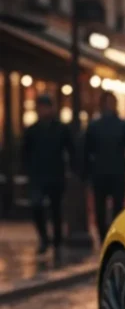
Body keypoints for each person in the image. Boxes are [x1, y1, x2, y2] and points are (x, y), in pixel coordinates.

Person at [83, 91, 125, 241]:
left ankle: (107, 237)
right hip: (112, 172)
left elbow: (86, 152)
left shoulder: (96, 126)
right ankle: (109, 237)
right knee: (109, 209)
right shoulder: (120, 125)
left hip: (106, 172)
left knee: (107, 208)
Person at [22, 95, 75, 255]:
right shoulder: (32, 130)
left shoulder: (61, 129)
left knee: (56, 209)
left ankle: (57, 241)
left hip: (55, 174)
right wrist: (28, 171)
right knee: (37, 207)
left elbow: (70, 150)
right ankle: (44, 239)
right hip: (38, 175)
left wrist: (71, 169)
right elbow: (25, 153)